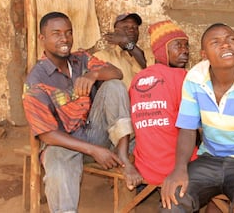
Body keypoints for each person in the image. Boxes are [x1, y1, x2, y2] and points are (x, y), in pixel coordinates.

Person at [22, 11, 143, 213]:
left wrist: (93, 74)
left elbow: (117, 73)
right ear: (42, 39)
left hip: (91, 133)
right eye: (57, 33)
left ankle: (123, 156)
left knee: (114, 86)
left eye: (68, 33)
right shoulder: (36, 81)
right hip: (62, 143)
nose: (65, 39)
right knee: (58, 168)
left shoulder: (80, 59)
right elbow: (47, 135)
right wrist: (94, 150)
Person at [160, 23, 234, 212]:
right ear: (204, 55)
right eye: (215, 42)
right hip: (209, 159)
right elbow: (187, 129)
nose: (225, 45)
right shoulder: (194, 79)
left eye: (231, 39)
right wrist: (179, 168)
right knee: (173, 201)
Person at [128, 20, 197, 187]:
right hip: (178, 169)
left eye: (186, 46)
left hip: (146, 168)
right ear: (161, 51)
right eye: (177, 46)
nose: (185, 51)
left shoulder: (137, 79)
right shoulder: (182, 77)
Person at [87, 12, 154, 88]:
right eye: (126, 27)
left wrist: (127, 42)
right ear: (116, 31)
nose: (132, 30)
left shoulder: (148, 54)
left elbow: (151, 70)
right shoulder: (101, 57)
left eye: (135, 27)